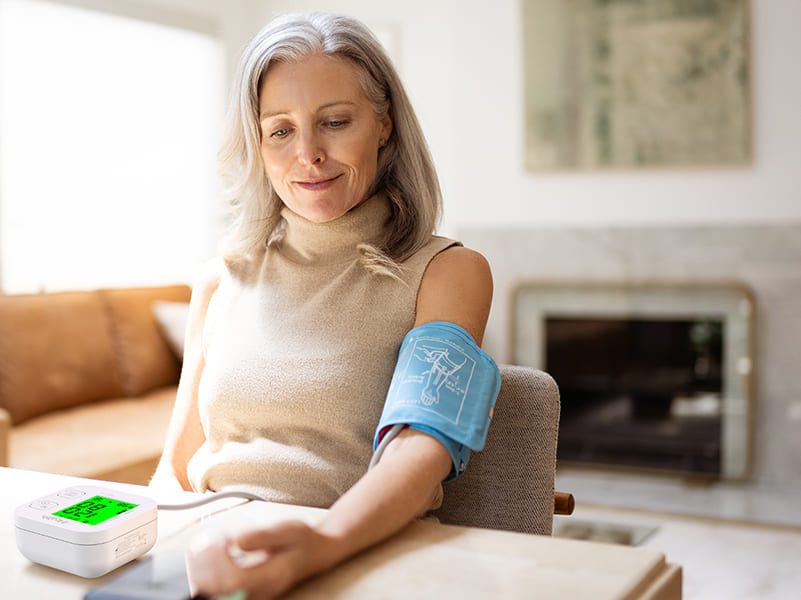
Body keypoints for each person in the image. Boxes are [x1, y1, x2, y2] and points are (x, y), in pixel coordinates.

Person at [152, 12, 496, 598]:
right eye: (280, 130)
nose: (308, 153)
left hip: (359, 559)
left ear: (384, 125)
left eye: (335, 122)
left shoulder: (446, 272)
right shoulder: (221, 279)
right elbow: (176, 470)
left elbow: (424, 446)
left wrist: (324, 545)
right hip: (217, 561)